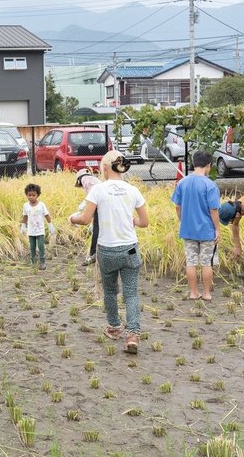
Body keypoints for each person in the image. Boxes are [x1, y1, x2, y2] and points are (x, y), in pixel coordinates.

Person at [69, 150, 149, 354]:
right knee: (131, 293)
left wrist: (72, 218)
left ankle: (114, 327)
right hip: (130, 248)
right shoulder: (133, 190)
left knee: (111, 291)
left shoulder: (98, 190)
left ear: (105, 168)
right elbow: (144, 222)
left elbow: (85, 219)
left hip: (107, 250)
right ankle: (133, 334)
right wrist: (132, 221)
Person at [171, 151, 221, 301]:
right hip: (206, 230)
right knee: (207, 263)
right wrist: (217, 229)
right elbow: (214, 209)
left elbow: (177, 206)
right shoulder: (210, 185)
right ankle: (206, 293)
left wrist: (182, 221)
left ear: (193, 163)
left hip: (187, 229)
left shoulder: (182, 183)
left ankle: (193, 292)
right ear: (209, 165)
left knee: (191, 262)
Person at [20, 183, 55, 270]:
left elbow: (47, 215)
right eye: (29, 195)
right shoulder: (26, 205)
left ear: (37, 195)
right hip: (31, 230)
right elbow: (25, 216)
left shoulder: (41, 205)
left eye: (33, 195)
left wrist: (50, 225)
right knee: (32, 246)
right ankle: (33, 261)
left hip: (40, 230)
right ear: (26, 195)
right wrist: (23, 225)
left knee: (41, 245)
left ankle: (42, 262)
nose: (31, 197)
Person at [75, 168, 101, 266]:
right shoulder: (95, 180)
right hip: (104, 204)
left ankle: (93, 254)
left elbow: (92, 195)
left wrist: (81, 208)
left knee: (96, 229)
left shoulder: (85, 179)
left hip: (99, 205)